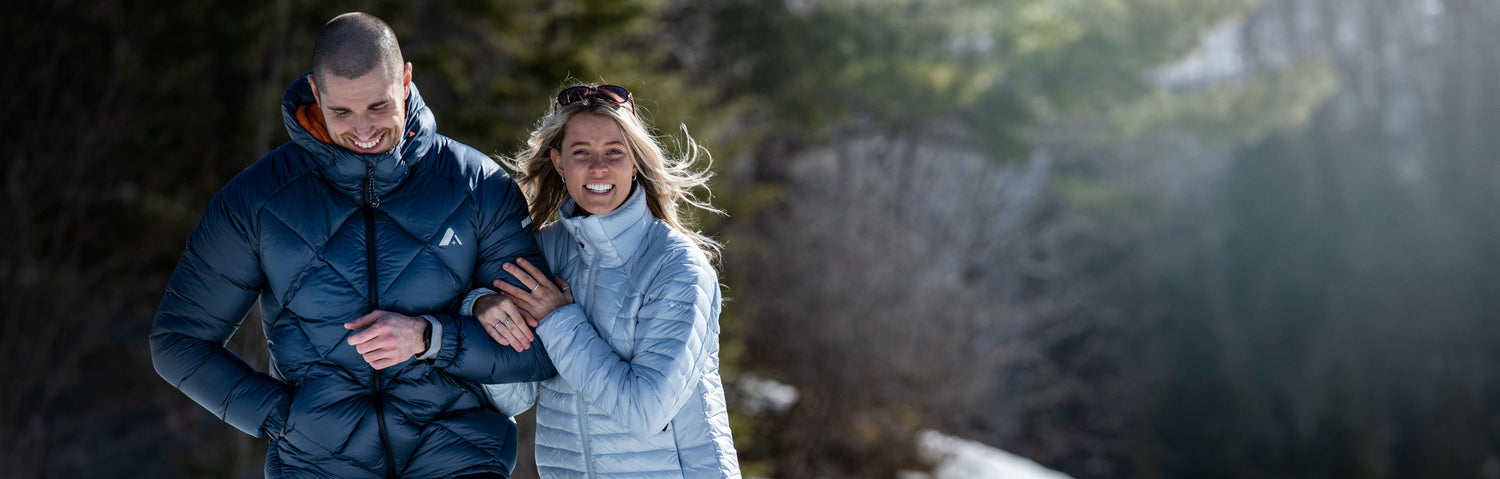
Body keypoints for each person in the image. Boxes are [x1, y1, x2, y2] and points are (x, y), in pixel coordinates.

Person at [149, 13, 555, 478]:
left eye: (378, 107)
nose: (363, 132)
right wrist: (283, 418)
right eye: (341, 112)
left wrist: (430, 338)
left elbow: (541, 352)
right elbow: (177, 341)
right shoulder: (256, 200)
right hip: (317, 466)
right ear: (316, 94)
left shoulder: (479, 186)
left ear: (405, 81)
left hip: (459, 455)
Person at [462, 83, 741, 477]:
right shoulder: (545, 252)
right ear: (559, 162)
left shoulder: (676, 267)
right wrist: (480, 308)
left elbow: (645, 410)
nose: (598, 168)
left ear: (636, 162)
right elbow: (514, 395)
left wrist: (560, 321)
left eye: (614, 152)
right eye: (581, 153)